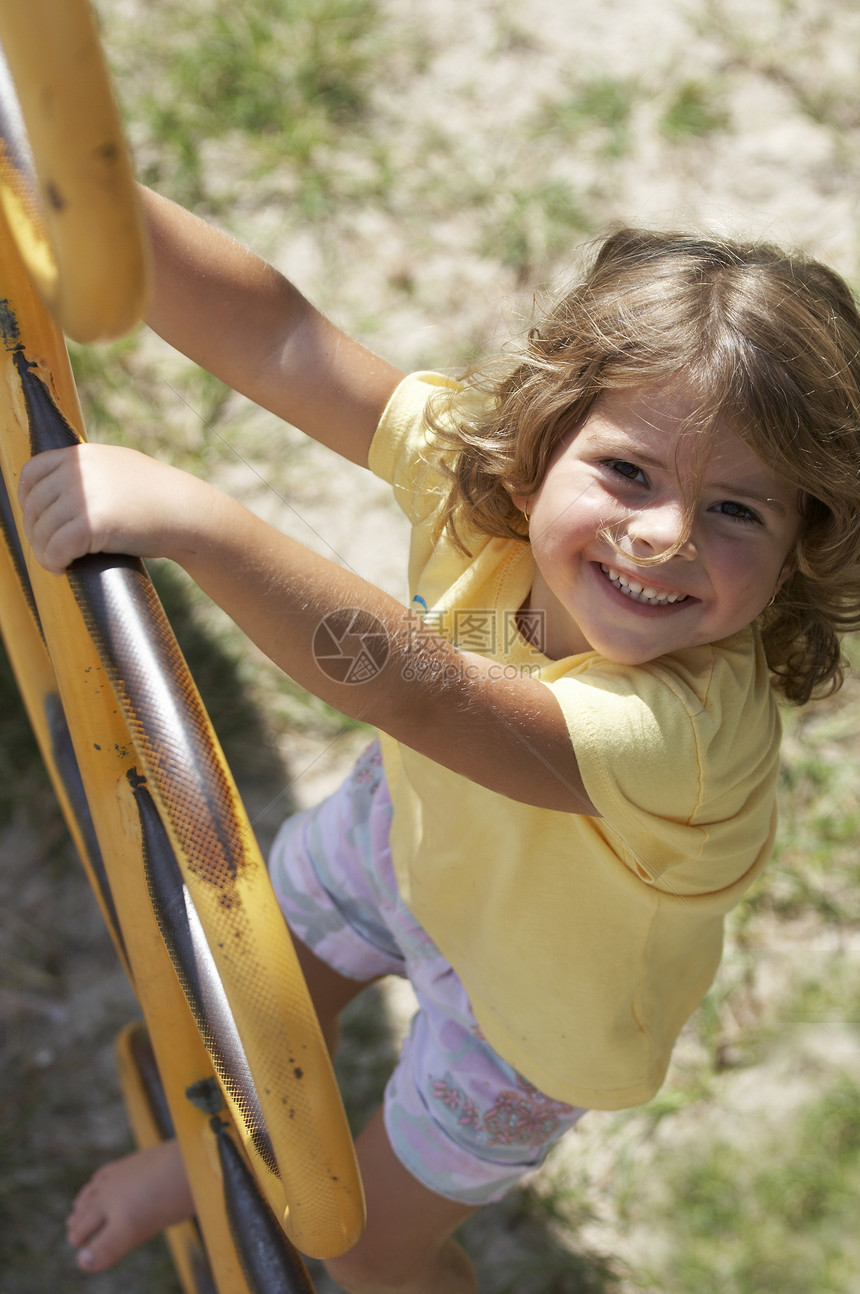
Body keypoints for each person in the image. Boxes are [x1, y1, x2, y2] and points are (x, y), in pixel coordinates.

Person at [19, 194, 860, 1294]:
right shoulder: (486, 484)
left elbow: (421, 696)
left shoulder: (684, 730)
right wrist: (74, 201)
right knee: (253, 993)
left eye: (738, 512)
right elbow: (281, 339)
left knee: (362, 1244)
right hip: (405, 839)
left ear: (804, 547)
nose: (663, 534)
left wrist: (199, 522)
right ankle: (215, 1151)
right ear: (536, 451)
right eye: (628, 472)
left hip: (528, 1010)